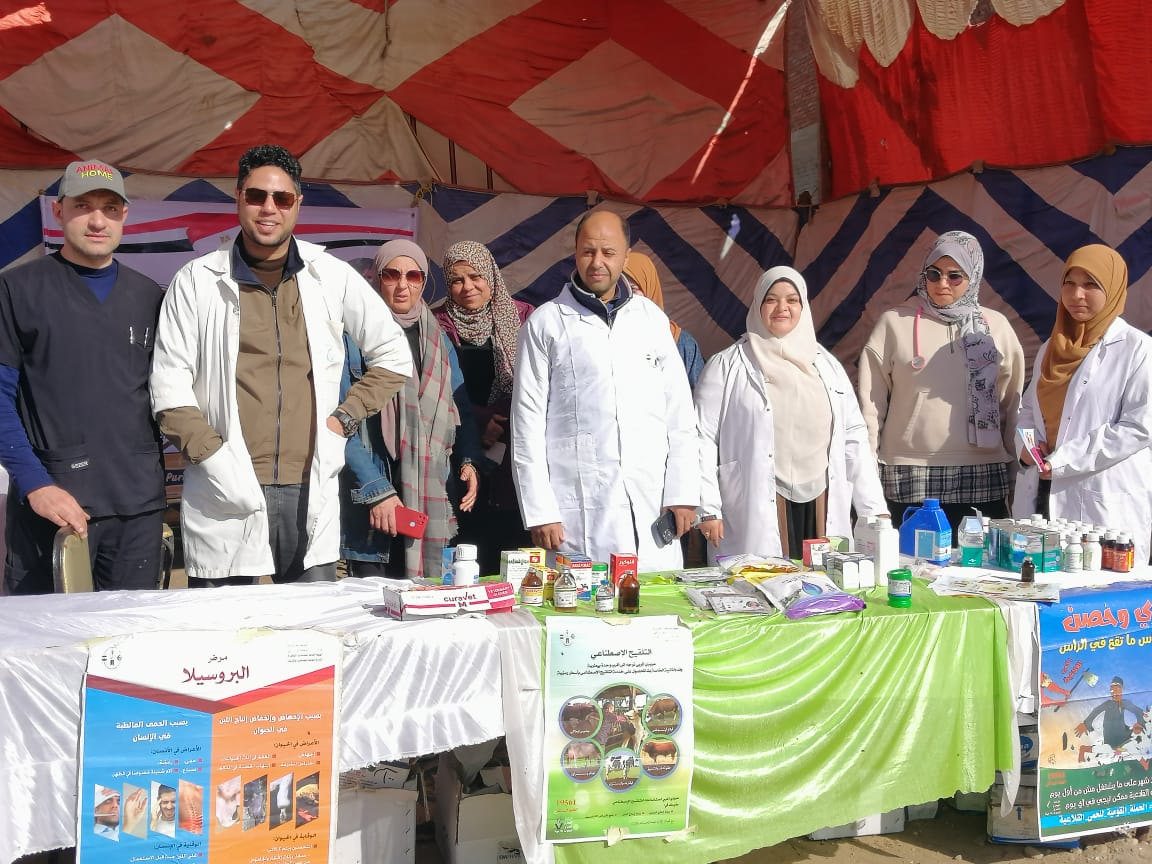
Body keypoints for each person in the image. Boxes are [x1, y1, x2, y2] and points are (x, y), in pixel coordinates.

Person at [150, 145, 412, 585]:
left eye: (282, 198)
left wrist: (344, 419)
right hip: (225, 485)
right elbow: (168, 384)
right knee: (225, 624)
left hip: (309, 486)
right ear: (239, 198)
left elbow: (393, 354)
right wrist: (211, 454)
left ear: (297, 204)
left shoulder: (330, 275)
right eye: (257, 196)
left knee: (310, 623)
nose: (269, 208)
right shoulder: (196, 281)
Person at [0, 160, 165, 594]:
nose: (97, 220)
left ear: (124, 215)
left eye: (110, 208)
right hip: (53, 503)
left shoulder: (149, 296)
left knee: (129, 629)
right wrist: (35, 484)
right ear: (58, 211)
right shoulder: (17, 289)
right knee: (46, 631)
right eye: (83, 206)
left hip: (137, 506)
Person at [511, 210, 698, 571]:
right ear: (575, 253)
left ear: (626, 257)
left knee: (656, 599)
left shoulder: (651, 320)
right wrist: (540, 510)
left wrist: (683, 493)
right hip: (578, 512)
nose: (597, 263)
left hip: (651, 503)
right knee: (585, 599)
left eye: (609, 253)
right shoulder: (545, 324)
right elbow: (526, 424)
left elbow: (680, 415)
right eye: (588, 252)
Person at [695, 266, 886, 558]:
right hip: (755, 499)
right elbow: (701, 437)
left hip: (820, 499)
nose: (782, 307)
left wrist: (873, 509)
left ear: (803, 306)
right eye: (771, 299)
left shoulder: (827, 367)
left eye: (792, 300)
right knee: (762, 581)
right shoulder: (726, 366)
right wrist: (708, 507)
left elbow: (853, 438)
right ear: (758, 305)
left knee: (822, 581)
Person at [858, 230, 1025, 536]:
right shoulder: (894, 322)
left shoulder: (995, 328)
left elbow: (1011, 409)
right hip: (908, 472)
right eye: (933, 274)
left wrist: (1018, 481)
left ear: (973, 276)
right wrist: (866, 479)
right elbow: (871, 407)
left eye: (954, 276)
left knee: (978, 564)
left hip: (982, 472)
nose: (942, 283)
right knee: (911, 563)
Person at [340, 240, 481, 579]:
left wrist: (469, 460)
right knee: (374, 602)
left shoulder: (438, 339)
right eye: (392, 275)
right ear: (377, 278)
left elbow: (460, 407)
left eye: (413, 276)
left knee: (427, 599)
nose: (403, 285)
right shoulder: (353, 336)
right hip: (375, 504)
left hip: (431, 492)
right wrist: (375, 489)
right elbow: (340, 422)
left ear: (423, 281)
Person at [1014, 244, 1152, 563]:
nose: (1077, 295)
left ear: (1113, 290)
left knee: (1097, 589)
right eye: (1069, 283)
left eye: (1091, 285)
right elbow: (1029, 409)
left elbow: (1138, 427)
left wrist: (1063, 461)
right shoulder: (1053, 347)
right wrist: (1025, 447)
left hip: (1102, 500)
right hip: (1041, 496)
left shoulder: (1138, 350)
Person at [435, 241, 533, 574]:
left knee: (514, 555)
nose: (467, 287)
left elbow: (537, 380)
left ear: (490, 275)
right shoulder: (435, 325)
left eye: (475, 276)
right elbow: (436, 389)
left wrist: (500, 420)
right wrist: (480, 423)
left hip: (514, 450)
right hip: (459, 450)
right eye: (457, 280)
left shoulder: (524, 318)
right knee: (468, 553)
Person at [622, 252, 704, 388]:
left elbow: (699, 397)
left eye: (633, 289)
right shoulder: (604, 338)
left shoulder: (682, 344)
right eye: (620, 289)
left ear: (649, 288)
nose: (627, 297)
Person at [1075, 677, 1144, 751]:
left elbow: (1138, 711)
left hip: (1123, 736)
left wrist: (1140, 724)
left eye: (1117, 688)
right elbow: (1096, 711)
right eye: (1112, 689)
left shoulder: (1125, 703)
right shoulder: (1108, 704)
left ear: (1121, 689)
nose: (1114, 692)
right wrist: (1086, 724)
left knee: (1136, 734)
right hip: (1111, 739)